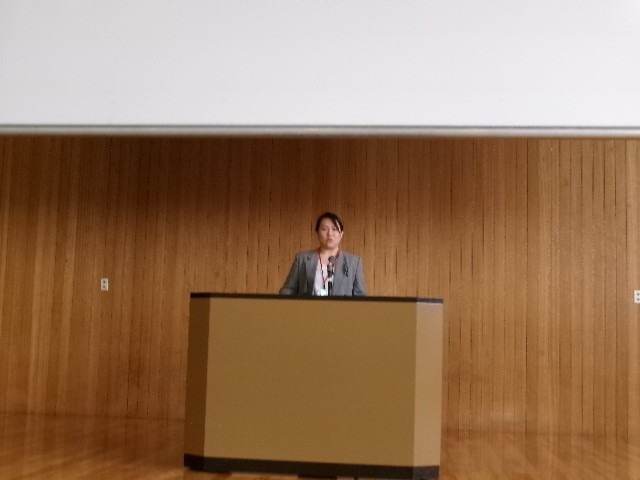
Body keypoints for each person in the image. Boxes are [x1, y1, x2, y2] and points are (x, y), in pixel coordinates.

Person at [280, 212, 367, 296]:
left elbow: (360, 296)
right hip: (309, 306)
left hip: (341, 307)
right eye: (324, 229)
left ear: (341, 234)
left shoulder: (354, 262)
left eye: (334, 229)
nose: (330, 234)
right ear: (317, 233)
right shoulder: (302, 259)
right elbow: (288, 290)